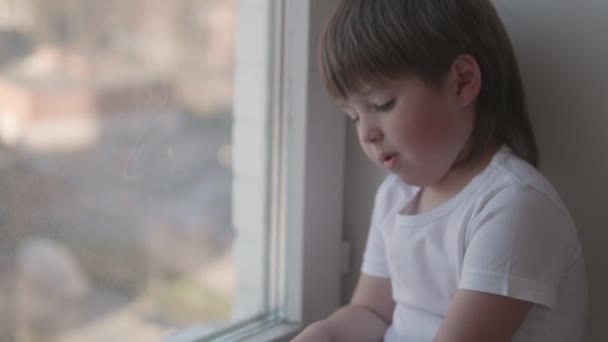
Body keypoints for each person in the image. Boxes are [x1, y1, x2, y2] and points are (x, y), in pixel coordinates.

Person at [292, 0, 587, 341]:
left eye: (381, 104)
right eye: (354, 116)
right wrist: (324, 335)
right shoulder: (394, 197)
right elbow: (371, 312)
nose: (366, 133)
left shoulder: (514, 205)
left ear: (462, 82)